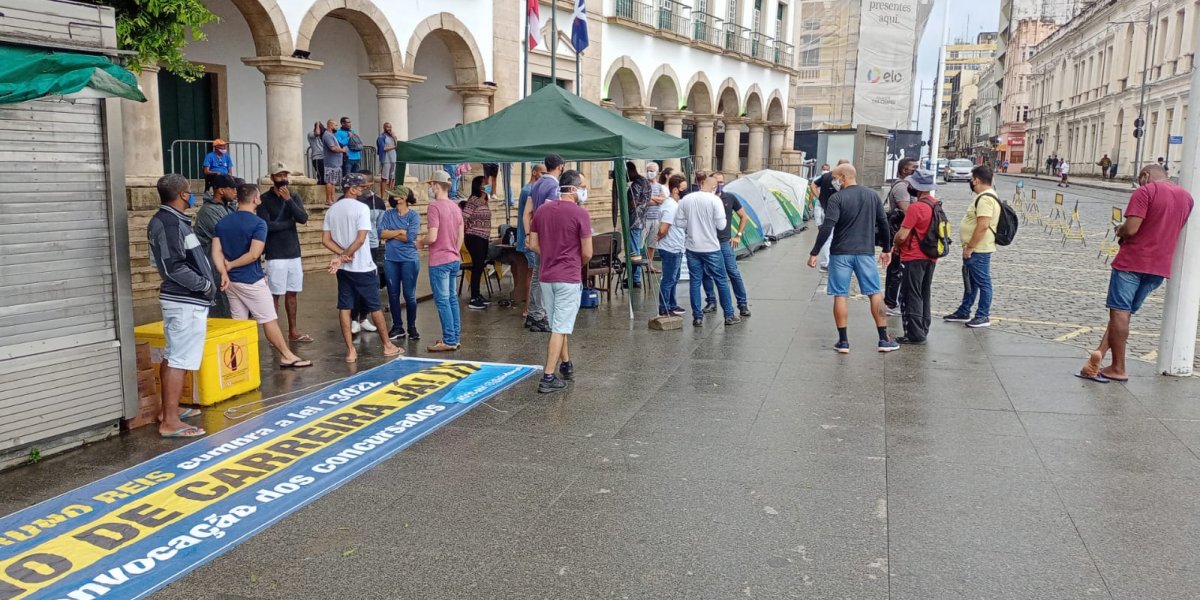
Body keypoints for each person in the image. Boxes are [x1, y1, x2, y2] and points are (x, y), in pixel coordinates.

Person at [1080, 164, 1193, 382]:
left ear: (1145, 175)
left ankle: (1118, 367)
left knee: (1119, 313)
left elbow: (1131, 229)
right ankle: (1098, 355)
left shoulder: (1146, 191)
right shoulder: (1187, 198)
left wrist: (1119, 230)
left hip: (1132, 261)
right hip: (1159, 267)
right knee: (1125, 314)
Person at [212, 184, 312, 369]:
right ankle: (286, 355)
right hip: (251, 279)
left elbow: (216, 251)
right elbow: (254, 254)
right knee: (269, 319)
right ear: (255, 199)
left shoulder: (223, 222)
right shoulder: (258, 223)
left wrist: (224, 271)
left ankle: (236, 362)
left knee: (239, 322)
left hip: (231, 281)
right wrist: (231, 264)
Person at [805, 164, 898, 353]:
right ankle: (883, 339)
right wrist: (887, 248)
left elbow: (828, 226)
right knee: (875, 294)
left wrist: (814, 252)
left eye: (835, 177)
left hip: (840, 252)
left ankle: (843, 342)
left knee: (840, 295)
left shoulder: (837, 198)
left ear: (843, 177)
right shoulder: (872, 195)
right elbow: (883, 223)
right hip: (865, 252)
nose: (833, 181)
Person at [147, 173, 213, 439]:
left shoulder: (170, 220)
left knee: (174, 355)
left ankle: (169, 411)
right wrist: (204, 285)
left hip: (182, 300)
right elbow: (173, 267)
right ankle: (170, 421)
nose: (192, 195)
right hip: (185, 300)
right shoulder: (170, 223)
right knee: (179, 359)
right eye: (189, 191)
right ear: (183, 195)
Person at [322, 173, 403, 363]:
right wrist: (346, 255)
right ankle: (387, 345)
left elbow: (326, 240)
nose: (363, 190)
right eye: (360, 187)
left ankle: (350, 351)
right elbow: (360, 239)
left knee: (345, 307)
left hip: (344, 268)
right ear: (352, 189)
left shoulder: (332, 210)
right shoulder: (361, 208)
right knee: (375, 306)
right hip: (363, 267)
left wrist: (342, 256)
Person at [529, 169, 593, 393]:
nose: (585, 191)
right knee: (560, 327)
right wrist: (575, 263)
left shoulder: (542, 210)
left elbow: (533, 244)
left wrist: (550, 255)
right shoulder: (580, 214)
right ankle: (548, 376)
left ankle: (566, 364)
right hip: (568, 276)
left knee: (558, 322)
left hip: (547, 275)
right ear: (573, 189)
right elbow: (587, 252)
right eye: (583, 187)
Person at [257, 162, 311, 343]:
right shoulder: (264, 199)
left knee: (292, 293)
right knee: (274, 295)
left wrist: (288, 200)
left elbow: (302, 218)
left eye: (285, 175)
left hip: (293, 252)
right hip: (275, 254)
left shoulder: (293, 196)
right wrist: (288, 223)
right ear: (272, 177)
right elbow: (266, 226)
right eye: (279, 175)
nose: (283, 178)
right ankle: (274, 333)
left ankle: (293, 330)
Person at [676, 170, 739, 327]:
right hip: (711, 247)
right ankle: (729, 315)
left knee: (695, 282)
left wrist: (691, 225)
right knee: (721, 281)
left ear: (701, 184)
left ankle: (697, 317)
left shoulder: (686, 199)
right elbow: (721, 225)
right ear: (714, 187)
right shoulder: (715, 200)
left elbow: (679, 223)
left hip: (692, 247)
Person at [944, 165, 1000, 328]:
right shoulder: (985, 196)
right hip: (976, 248)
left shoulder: (986, 199)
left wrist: (970, 247)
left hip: (979, 249)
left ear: (976, 180)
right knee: (971, 282)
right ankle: (964, 310)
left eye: (971, 179)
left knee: (983, 282)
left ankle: (983, 315)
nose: (970, 182)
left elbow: (983, 225)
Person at [420, 170, 465, 352]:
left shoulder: (434, 207)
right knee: (452, 299)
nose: (431, 187)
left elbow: (432, 237)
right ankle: (455, 337)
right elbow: (461, 235)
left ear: (437, 185)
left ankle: (449, 339)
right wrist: (454, 251)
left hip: (439, 260)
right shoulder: (456, 207)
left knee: (443, 301)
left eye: (432, 184)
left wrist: (420, 242)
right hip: (454, 258)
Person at [892, 170, 939, 345]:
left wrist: (895, 244)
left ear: (917, 187)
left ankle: (914, 334)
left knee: (910, 294)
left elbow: (902, 235)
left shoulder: (916, 207)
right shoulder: (935, 204)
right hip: (930, 256)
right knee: (924, 293)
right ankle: (923, 328)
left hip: (913, 256)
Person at [523, 154, 565, 333]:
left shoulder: (537, 184)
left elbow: (527, 212)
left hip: (535, 233)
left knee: (537, 274)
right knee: (545, 276)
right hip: (547, 236)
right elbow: (550, 214)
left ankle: (533, 313)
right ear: (561, 167)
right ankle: (539, 314)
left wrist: (528, 233)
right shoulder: (554, 186)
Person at [701, 172, 752, 318]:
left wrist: (738, 235)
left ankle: (742, 304)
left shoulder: (730, 197)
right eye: (717, 182)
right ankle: (711, 301)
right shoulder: (704, 199)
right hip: (707, 242)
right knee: (706, 273)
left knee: (733, 272)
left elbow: (744, 216)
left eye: (721, 182)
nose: (719, 184)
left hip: (724, 242)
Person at [193, 174, 237, 318]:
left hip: (225, 266)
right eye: (232, 189)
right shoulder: (208, 211)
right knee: (220, 310)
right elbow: (228, 236)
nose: (235, 192)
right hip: (212, 268)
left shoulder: (228, 207)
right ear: (221, 190)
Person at [379, 186, 421, 341]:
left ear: (403, 198)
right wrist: (400, 231)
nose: (392, 198)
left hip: (409, 259)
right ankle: (397, 327)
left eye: (395, 196)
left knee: (409, 295)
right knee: (393, 294)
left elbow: (410, 237)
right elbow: (381, 233)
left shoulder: (414, 216)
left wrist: (392, 233)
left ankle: (412, 326)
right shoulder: (388, 214)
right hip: (391, 259)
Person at [884, 158, 918, 316]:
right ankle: (891, 303)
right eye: (914, 168)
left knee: (898, 268)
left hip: (904, 232)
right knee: (896, 268)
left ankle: (892, 301)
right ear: (905, 170)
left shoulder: (907, 186)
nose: (917, 170)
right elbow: (907, 211)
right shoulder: (901, 188)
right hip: (900, 233)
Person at [514, 164, 547, 321]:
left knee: (531, 273)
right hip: (529, 238)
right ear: (534, 172)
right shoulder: (529, 190)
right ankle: (529, 308)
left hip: (529, 237)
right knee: (533, 274)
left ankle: (530, 307)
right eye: (542, 173)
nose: (544, 176)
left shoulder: (532, 189)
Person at [655, 173, 689, 317]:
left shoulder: (675, 204)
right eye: (683, 188)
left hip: (676, 246)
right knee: (669, 279)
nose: (685, 191)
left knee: (674, 278)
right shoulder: (670, 206)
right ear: (675, 189)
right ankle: (664, 307)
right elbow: (664, 228)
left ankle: (671, 304)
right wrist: (658, 237)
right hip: (670, 247)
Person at [809, 159, 849, 271]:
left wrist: (820, 198)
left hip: (825, 209)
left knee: (827, 236)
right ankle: (830, 262)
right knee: (834, 236)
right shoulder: (843, 178)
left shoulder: (826, 176)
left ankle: (826, 263)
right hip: (836, 212)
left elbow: (813, 185)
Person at [462, 175, 493, 310]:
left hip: (484, 237)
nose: (488, 185)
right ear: (479, 186)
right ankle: (474, 297)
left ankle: (478, 294)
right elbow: (463, 218)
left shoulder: (485, 201)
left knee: (480, 266)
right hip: (474, 237)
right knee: (477, 265)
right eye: (485, 183)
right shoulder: (473, 200)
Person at [625, 161, 652, 288]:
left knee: (634, 250)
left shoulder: (636, 184)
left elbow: (633, 203)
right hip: (642, 219)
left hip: (634, 220)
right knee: (636, 248)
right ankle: (634, 277)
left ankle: (635, 278)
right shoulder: (646, 182)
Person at [642, 163, 667, 272]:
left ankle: (650, 265)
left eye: (651, 170)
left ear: (657, 172)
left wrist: (651, 198)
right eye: (648, 170)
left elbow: (663, 199)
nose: (649, 172)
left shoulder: (659, 186)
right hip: (644, 218)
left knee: (652, 244)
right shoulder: (643, 185)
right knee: (640, 243)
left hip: (656, 218)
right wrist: (656, 199)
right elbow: (644, 200)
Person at [322, 119, 345, 205]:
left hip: (336, 163)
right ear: (330, 125)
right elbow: (332, 148)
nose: (337, 127)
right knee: (329, 181)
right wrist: (342, 150)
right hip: (330, 162)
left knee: (333, 182)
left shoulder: (331, 135)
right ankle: (328, 200)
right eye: (335, 125)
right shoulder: (327, 135)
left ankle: (333, 199)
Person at [377, 122, 398, 195]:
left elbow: (397, 146)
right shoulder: (381, 137)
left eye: (390, 127)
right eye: (387, 127)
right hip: (386, 160)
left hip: (393, 159)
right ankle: (382, 197)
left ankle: (390, 196)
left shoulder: (392, 137)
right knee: (384, 178)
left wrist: (394, 137)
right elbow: (383, 148)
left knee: (392, 178)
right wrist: (394, 147)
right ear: (384, 128)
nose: (389, 128)